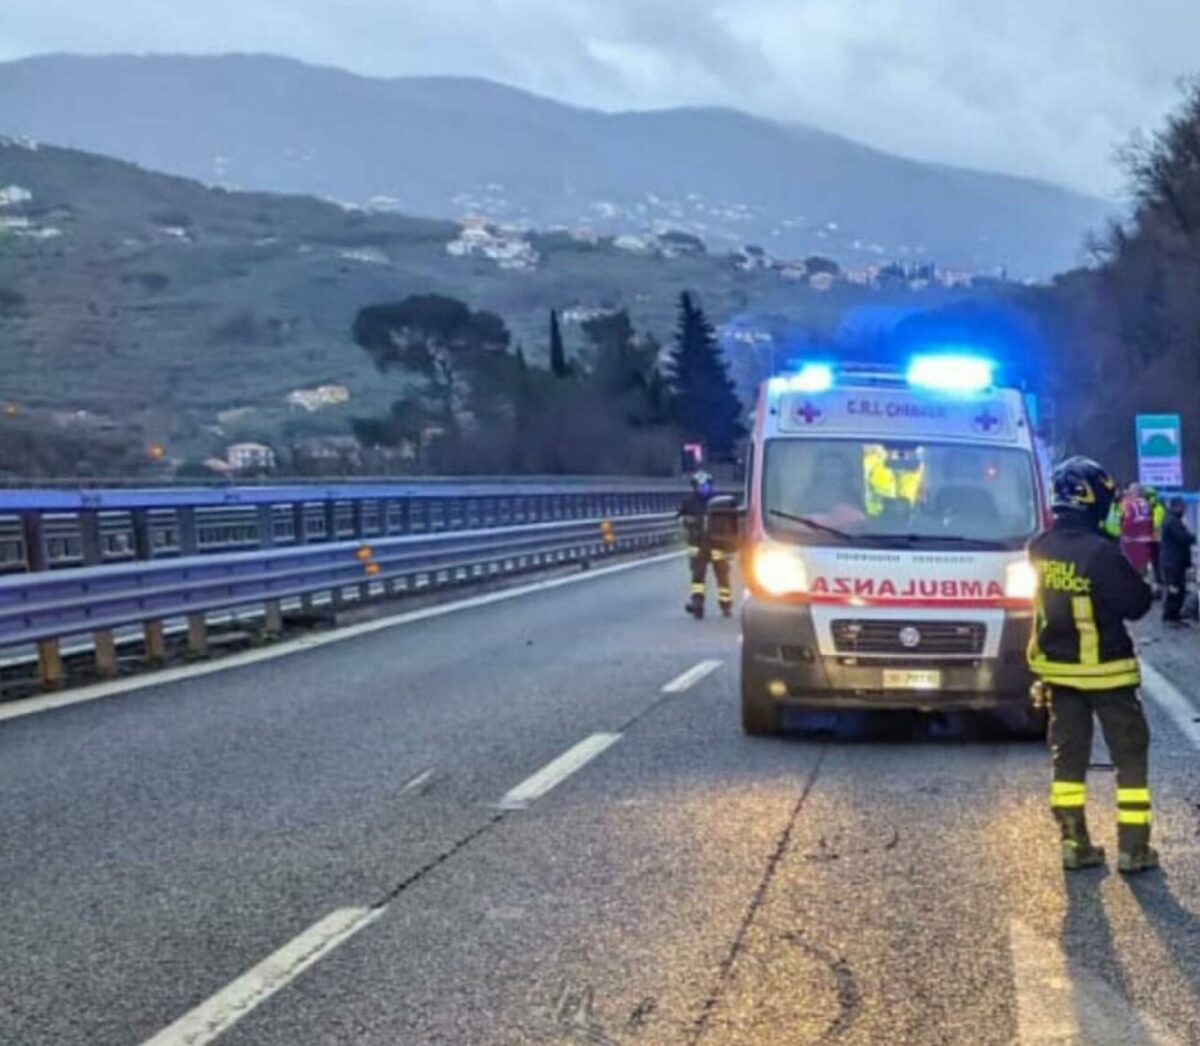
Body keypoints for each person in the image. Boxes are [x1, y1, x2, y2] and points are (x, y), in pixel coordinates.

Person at [1028, 456, 1157, 874]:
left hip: (1059, 676)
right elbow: (1135, 605)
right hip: (1108, 674)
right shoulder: (1101, 552)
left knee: (1068, 761)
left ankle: (1073, 842)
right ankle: (1133, 849)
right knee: (1130, 756)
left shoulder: (1040, 548)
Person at [678, 470, 733, 619]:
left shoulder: (720, 502)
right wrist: (688, 521)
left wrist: (729, 543)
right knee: (697, 578)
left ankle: (726, 605)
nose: (703, 489)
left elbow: (730, 522)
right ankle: (697, 606)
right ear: (694, 487)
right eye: (699, 486)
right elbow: (680, 518)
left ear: (711, 486)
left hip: (717, 544)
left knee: (722, 576)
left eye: (706, 486)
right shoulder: (688, 502)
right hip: (698, 544)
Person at [1160, 497, 1195, 626]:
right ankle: (1170, 616)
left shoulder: (1172, 519)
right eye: (1183, 507)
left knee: (1177, 588)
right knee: (1174, 588)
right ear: (1176, 506)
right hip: (1173, 562)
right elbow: (1183, 538)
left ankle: (1174, 614)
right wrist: (1193, 537)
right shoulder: (1173, 521)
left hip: (1174, 561)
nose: (1185, 510)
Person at [1120, 482, 1154, 579]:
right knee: (1143, 571)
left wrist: (1124, 533)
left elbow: (1128, 522)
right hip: (1146, 541)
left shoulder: (1130, 505)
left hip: (1132, 542)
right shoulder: (1147, 504)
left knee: (1131, 572)